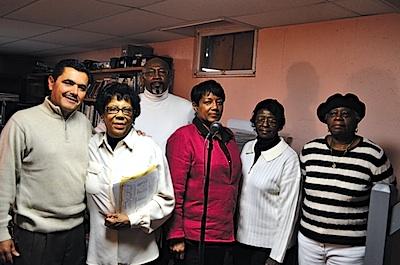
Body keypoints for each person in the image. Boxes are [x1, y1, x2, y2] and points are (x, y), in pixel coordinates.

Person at [0, 59, 93, 265]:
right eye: (68, 83)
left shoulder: (86, 125)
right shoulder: (21, 122)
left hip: (76, 233)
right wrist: (1, 232)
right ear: (51, 82)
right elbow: (3, 180)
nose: (74, 92)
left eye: (81, 87)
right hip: (35, 235)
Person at [298, 93, 396, 265]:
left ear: (357, 119)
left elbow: (388, 198)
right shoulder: (309, 150)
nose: (338, 118)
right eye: (333, 113)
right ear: (326, 120)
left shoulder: (373, 155)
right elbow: (300, 192)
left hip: (350, 249)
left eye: (345, 114)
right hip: (309, 242)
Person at [85, 82, 175, 265]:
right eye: (112, 109)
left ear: (134, 115)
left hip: (140, 254)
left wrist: (132, 220)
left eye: (126, 110)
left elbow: (166, 199)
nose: (120, 115)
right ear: (102, 114)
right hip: (99, 254)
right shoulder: (90, 147)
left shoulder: (149, 148)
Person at [166, 80, 242, 265]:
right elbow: (175, 190)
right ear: (195, 105)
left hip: (224, 233)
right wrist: (176, 234)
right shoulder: (183, 137)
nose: (215, 107)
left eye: (219, 102)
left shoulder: (228, 137)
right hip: (194, 235)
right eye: (208, 102)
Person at [234, 99, 301, 265]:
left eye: (272, 120)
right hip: (240, 240)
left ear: (280, 125)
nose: (265, 124)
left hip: (268, 247)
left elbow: (290, 211)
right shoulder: (248, 148)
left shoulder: (288, 158)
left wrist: (277, 255)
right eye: (260, 119)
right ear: (254, 122)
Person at [135, 57, 194, 153]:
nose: (157, 76)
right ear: (142, 79)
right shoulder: (130, 104)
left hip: (173, 167)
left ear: (170, 78)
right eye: (151, 72)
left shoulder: (187, 108)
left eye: (162, 72)